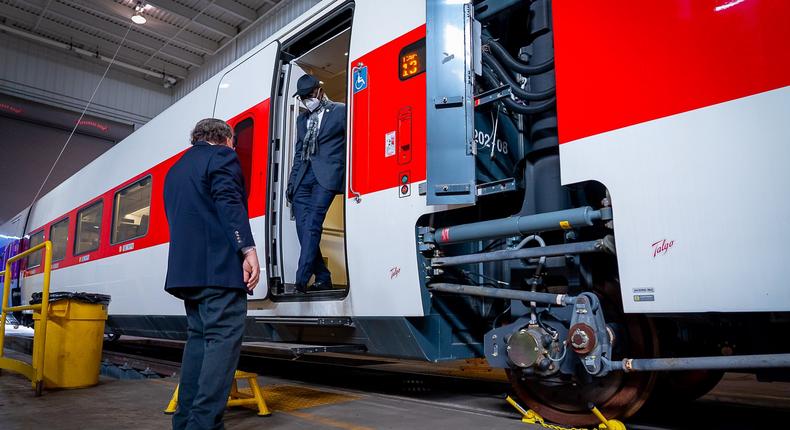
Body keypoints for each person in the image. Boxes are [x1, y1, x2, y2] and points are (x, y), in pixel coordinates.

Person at [163, 118, 260, 430]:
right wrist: (247, 248)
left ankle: (185, 422)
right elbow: (229, 203)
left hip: (187, 274)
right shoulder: (221, 156)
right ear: (226, 139)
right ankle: (204, 425)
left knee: (199, 343)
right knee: (220, 343)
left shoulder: (175, 170)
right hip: (218, 270)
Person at [285, 74, 346, 294]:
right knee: (303, 229)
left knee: (312, 224)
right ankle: (323, 276)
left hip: (327, 176)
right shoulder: (302, 121)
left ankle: (301, 280)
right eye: (303, 98)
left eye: (309, 95)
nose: (307, 100)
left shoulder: (341, 111)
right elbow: (298, 153)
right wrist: (291, 183)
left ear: (320, 91)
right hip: (303, 176)